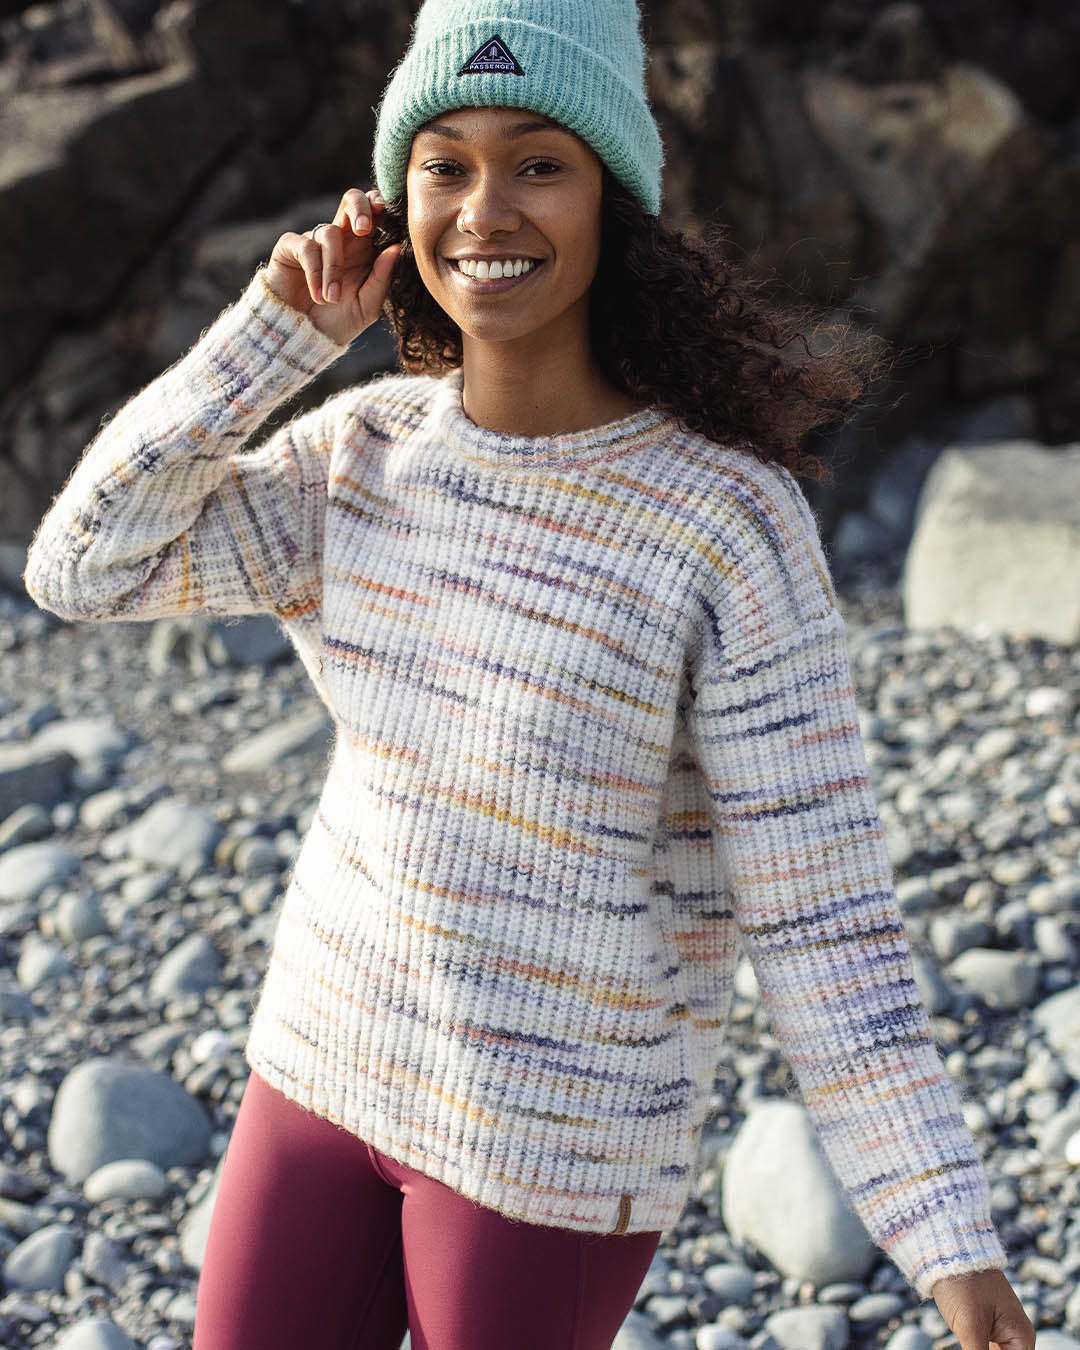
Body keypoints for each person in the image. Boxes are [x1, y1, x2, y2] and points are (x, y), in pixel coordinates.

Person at [22, 2, 1037, 1348]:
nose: (485, 209)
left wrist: (944, 1236)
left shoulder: (722, 523)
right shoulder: (359, 457)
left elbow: (820, 916)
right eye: (444, 164)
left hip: (547, 1140)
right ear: (395, 205)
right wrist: (276, 339)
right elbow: (83, 567)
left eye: (539, 163)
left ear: (615, 197)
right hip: (321, 1062)